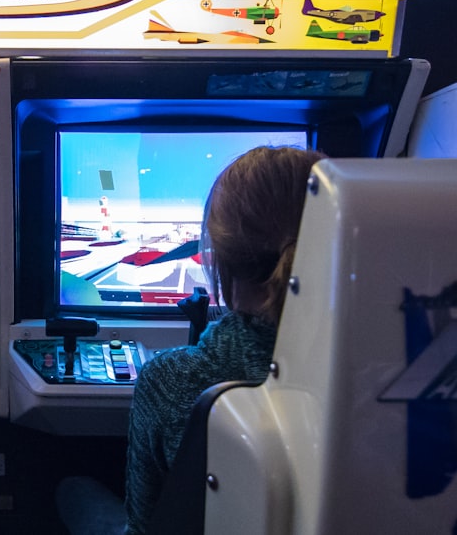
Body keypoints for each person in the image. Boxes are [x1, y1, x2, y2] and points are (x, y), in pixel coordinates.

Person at [56, 145, 326, 535]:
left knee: (73, 490)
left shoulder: (171, 378)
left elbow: (144, 524)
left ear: (219, 260)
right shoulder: (401, 372)